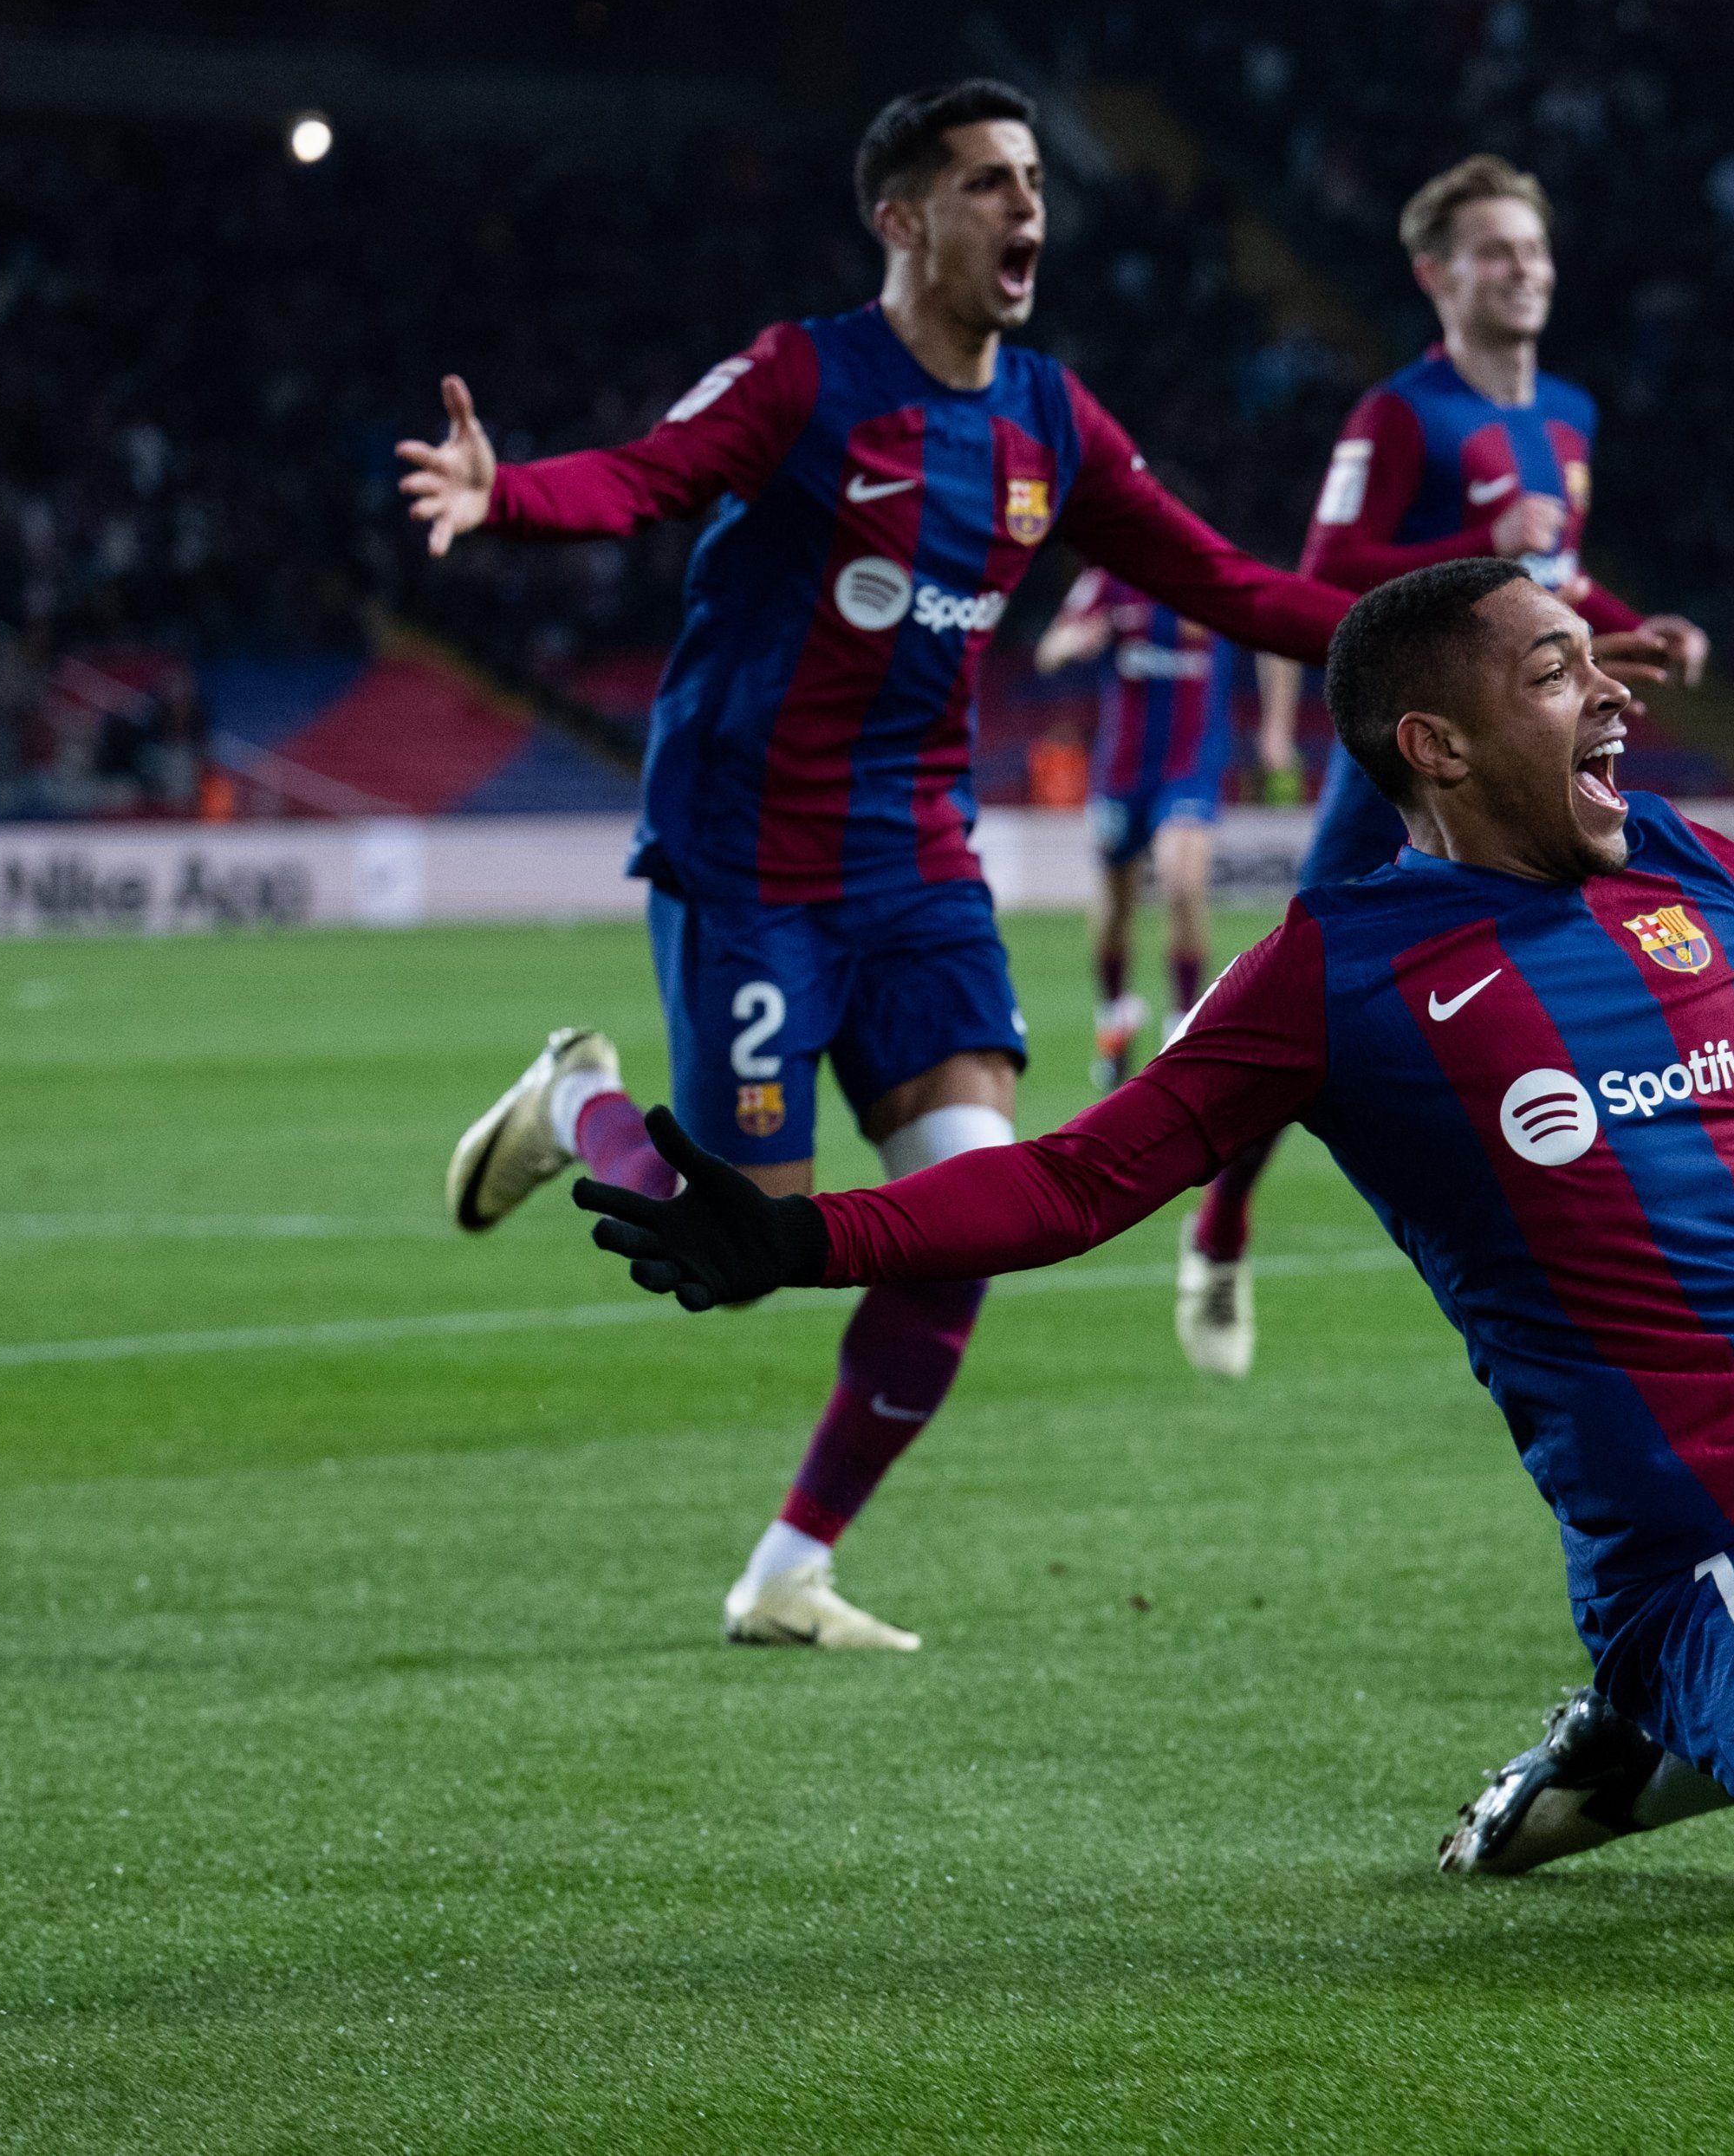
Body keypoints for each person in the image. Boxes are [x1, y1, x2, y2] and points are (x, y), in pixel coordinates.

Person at [572, 559, 1734, 1964]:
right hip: (1698, 1547)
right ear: (1430, 745)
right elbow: (1073, 1182)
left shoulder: (1671, 869)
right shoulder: (1335, 974)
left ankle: (1668, 1752)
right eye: (1553, 674)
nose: (1609, 694)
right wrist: (797, 1236)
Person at [401, 80, 1366, 1652]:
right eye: (989, 183)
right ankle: (577, 1102)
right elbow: (647, 475)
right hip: (750, 858)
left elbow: (1227, 582)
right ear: (903, 220)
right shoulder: (807, 376)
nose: (1028, 209)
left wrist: (1452, 625)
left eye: (1037, 179)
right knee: (737, 1249)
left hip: (916, 863)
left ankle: (787, 1567)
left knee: (973, 1215)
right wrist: (503, 494)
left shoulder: (1053, 419)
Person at [1183, 155, 1711, 1379]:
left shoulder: (1567, 410)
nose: (1522, 270)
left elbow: (1554, 576)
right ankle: (1219, 1224)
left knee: (1589, 963)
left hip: (1531, 752)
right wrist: (1480, 538)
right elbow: (1327, 568)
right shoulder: (1400, 414)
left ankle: (1598, 1229)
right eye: (1495, 251)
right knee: (1301, 992)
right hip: (1408, 764)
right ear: (1437, 274)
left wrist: (1637, 615)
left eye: (1533, 248)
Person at [1029, 566, 1234, 1106]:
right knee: (1116, 906)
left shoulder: (1209, 575)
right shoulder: (1108, 583)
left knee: (1183, 882)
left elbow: (1271, 634)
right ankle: (1116, 1015)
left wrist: (1278, 726)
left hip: (1190, 766)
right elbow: (1048, 650)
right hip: (1121, 772)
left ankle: (1181, 1027)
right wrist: (1075, 640)